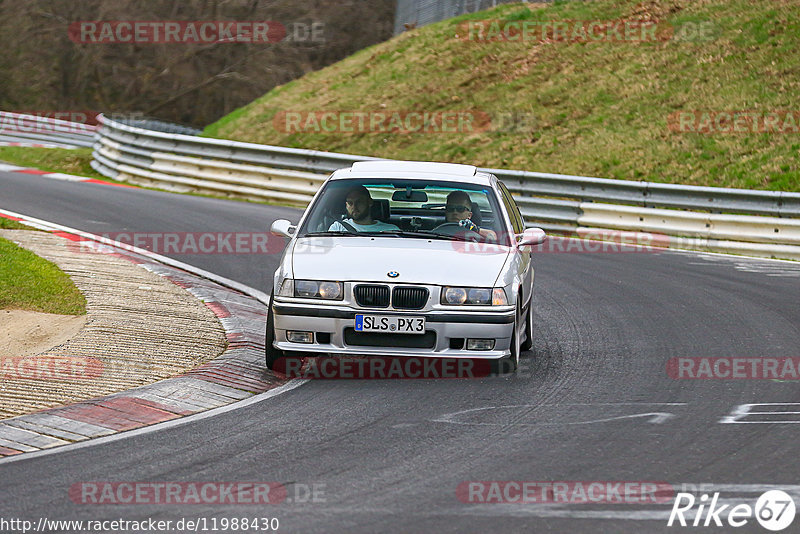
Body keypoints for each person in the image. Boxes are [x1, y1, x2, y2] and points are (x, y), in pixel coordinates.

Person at [328, 185, 400, 233]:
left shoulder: (391, 230)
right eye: (350, 203)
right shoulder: (338, 228)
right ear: (346, 205)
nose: (354, 206)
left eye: (359, 202)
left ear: (370, 202)